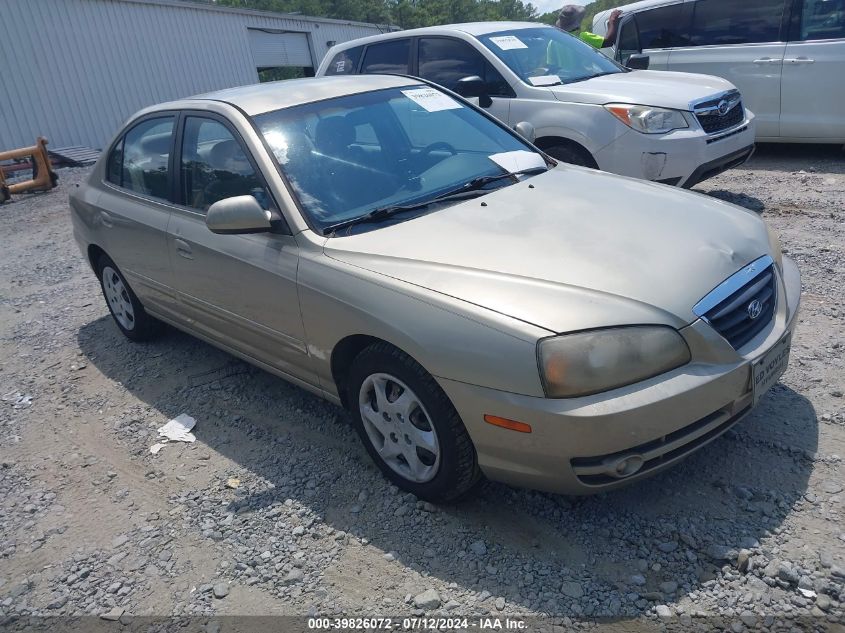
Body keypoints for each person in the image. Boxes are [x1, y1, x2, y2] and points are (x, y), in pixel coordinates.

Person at [556, 5, 622, 49]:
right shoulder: (581, 37)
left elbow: (551, 65)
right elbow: (608, 42)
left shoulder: (553, 42)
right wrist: (612, 20)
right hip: (584, 70)